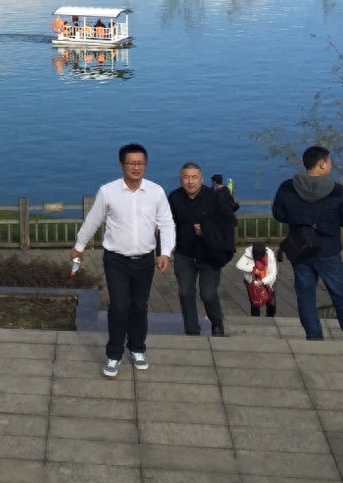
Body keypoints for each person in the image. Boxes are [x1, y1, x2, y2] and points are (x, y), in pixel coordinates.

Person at [73, 143, 176, 378]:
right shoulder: (108, 191)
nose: (136, 168)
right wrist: (79, 246)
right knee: (119, 306)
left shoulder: (156, 192)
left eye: (141, 163)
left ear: (146, 165)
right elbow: (93, 220)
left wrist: (165, 252)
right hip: (116, 260)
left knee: (139, 305)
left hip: (145, 260)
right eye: (132, 163)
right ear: (122, 165)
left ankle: (137, 348)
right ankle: (114, 354)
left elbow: (167, 224)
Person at [271, 145, 343, 342]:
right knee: (341, 296)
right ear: (321, 164)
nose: (331, 165)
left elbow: (279, 214)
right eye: (330, 162)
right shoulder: (337, 190)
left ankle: (314, 337)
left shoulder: (287, 187)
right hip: (328, 250)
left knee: (305, 297)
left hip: (300, 249)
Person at [167, 163, 236, 337]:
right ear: (181, 179)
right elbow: (166, 223)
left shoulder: (214, 198)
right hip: (184, 253)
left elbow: (229, 222)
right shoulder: (174, 198)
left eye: (194, 177)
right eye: (186, 177)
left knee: (208, 294)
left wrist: (206, 229)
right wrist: (165, 250)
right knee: (185, 292)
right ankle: (191, 328)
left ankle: (217, 322)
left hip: (209, 254)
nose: (190, 182)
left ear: (202, 179)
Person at [235, 242, 278, 317]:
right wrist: (253, 269)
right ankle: (255, 319)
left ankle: (270, 317)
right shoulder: (248, 253)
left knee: (271, 303)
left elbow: (273, 273)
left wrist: (263, 282)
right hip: (251, 281)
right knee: (255, 303)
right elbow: (239, 265)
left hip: (267, 280)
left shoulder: (270, 255)